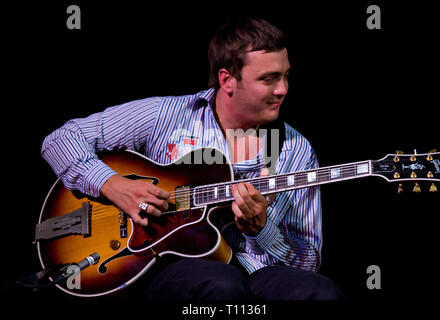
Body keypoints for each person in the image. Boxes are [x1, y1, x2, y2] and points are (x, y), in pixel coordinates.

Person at [41, 17, 342, 300]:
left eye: (286, 76)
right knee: (221, 285)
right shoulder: (167, 115)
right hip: (164, 265)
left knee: (319, 291)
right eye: (269, 79)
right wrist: (113, 185)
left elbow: (308, 260)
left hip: (253, 271)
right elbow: (60, 140)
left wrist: (262, 230)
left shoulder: (294, 149)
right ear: (227, 80)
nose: (283, 90)